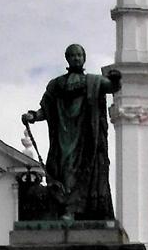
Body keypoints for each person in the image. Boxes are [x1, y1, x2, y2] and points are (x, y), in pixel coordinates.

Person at [23, 43, 122, 220]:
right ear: (67, 58)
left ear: (84, 58)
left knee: (83, 170)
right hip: (64, 135)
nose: (76, 58)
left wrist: (115, 79)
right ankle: (66, 208)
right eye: (72, 55)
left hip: (87, 137)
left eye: (79, 55)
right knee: (64, 168)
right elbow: (45, 108)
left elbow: (112, 87)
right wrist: (33, 116)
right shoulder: (56, 84)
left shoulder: (93, 81)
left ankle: (73, 210)